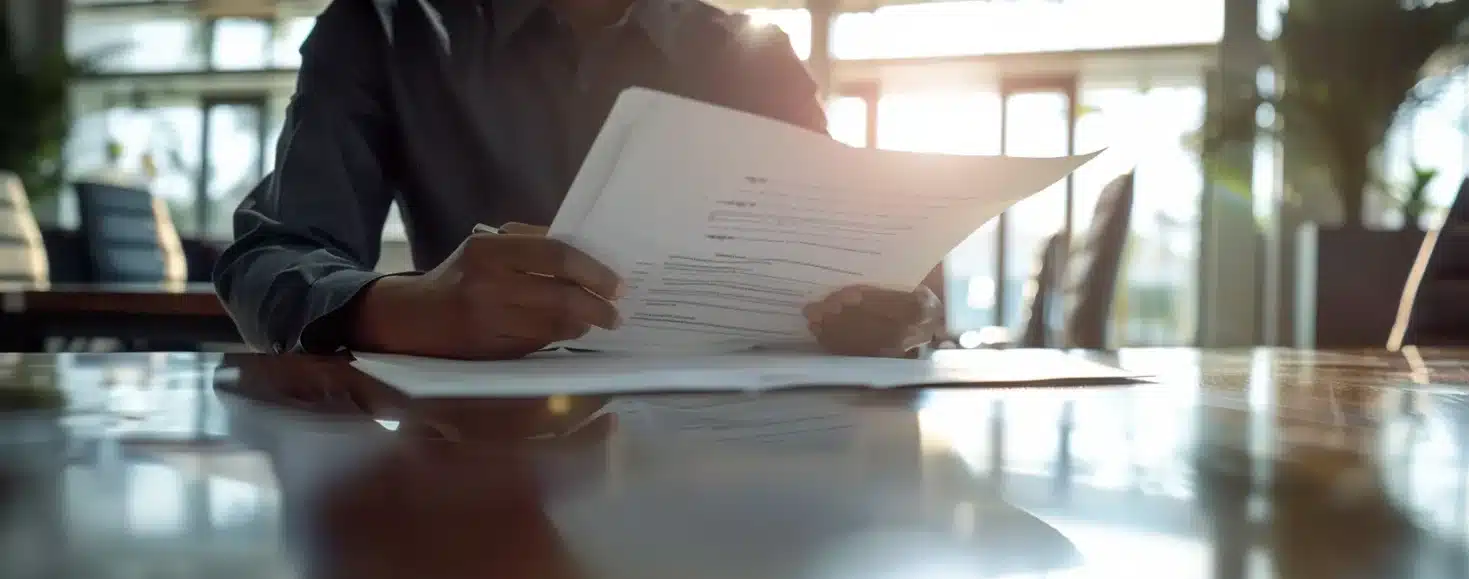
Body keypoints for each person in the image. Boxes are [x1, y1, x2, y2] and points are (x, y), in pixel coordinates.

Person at [214, 0, 940, 360]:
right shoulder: (381, 28)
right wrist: (407, 310)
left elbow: (875, 269)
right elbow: (269, 257)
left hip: (726, 455)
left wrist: (904, 314)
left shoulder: (751, 56)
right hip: (479, 461)